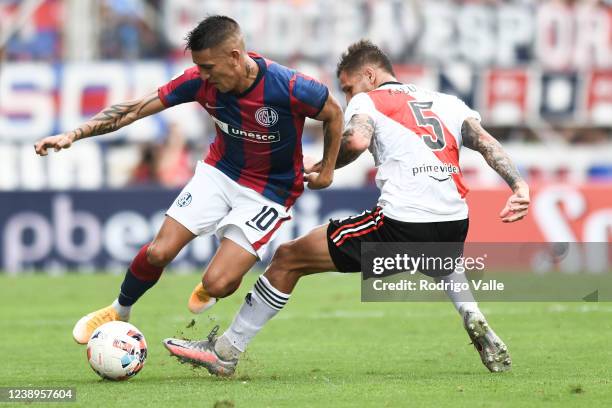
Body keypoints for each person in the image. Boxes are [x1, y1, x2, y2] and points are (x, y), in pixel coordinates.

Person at [162, 40, 530, 377]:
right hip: (455, 220)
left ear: (369, 75)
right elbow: (486, 143)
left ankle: (225, 352)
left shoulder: (369, 100)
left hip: (402, 222)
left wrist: (327, 166)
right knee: (441, 259)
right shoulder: (448, 102)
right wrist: (518, 186)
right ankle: (473, 314)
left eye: (349, 87)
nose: (348, 94)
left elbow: (355, 138)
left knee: (289, 258)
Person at [33, 15, 343, 345]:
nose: (203, 75)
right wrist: (73, 134)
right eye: (199, 66)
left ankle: (210, 286)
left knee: (219, 283)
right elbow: (134, 109)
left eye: (208, 66)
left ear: (235, 57)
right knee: (158, 252)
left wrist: (327, 170)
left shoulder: (290, 86)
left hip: (270, 191)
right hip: (219, 173)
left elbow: (333, 113)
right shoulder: (199, 81)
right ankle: (119, 309)